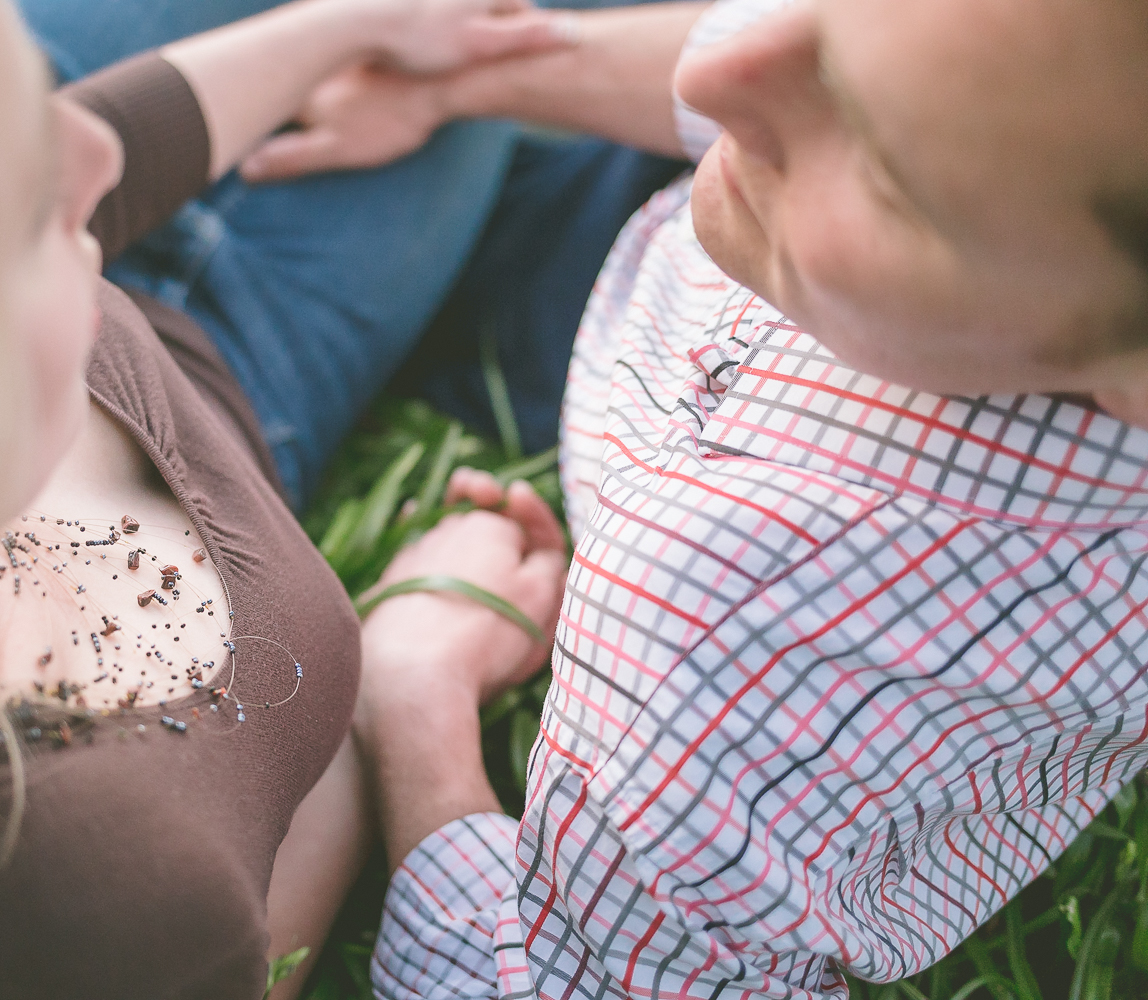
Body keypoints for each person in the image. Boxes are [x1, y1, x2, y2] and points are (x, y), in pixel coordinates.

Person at [0, 0, 588, 997]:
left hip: (124, 291)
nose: (88, 150)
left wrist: (340, 29)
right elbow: (254, 937)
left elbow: (94, 146)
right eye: (26, 204)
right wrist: (397, 693)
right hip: (266, 370)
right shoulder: (84, 897)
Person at [259, 0, 1148, 995]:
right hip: (703, 287)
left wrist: (412, 695)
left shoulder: (733, 642)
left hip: (526, 324)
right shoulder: (1034, 193)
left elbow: (537, 980)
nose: (713, 70)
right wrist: (481, 74)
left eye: (886, 165)